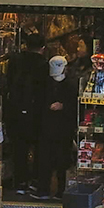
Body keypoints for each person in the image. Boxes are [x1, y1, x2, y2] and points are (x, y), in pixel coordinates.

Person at [2, 30, 49, 196]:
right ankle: (35, 181)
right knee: (38, 148)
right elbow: (44, 90)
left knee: (18, 148)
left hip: (15, 110)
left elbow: (8, 82)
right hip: (36, 112)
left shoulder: (15, 60)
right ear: (43, 48)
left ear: (26, 46)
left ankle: (20, 182)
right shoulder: (44, 65)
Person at [37, 53, 80, 199]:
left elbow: (75, 106)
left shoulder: (69, 85)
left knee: (60, 160)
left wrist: (63, 107)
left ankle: (58, 190)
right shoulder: (47, 84)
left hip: (61, 128)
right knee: (47, 160)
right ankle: (45, 189)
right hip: (51, 127)